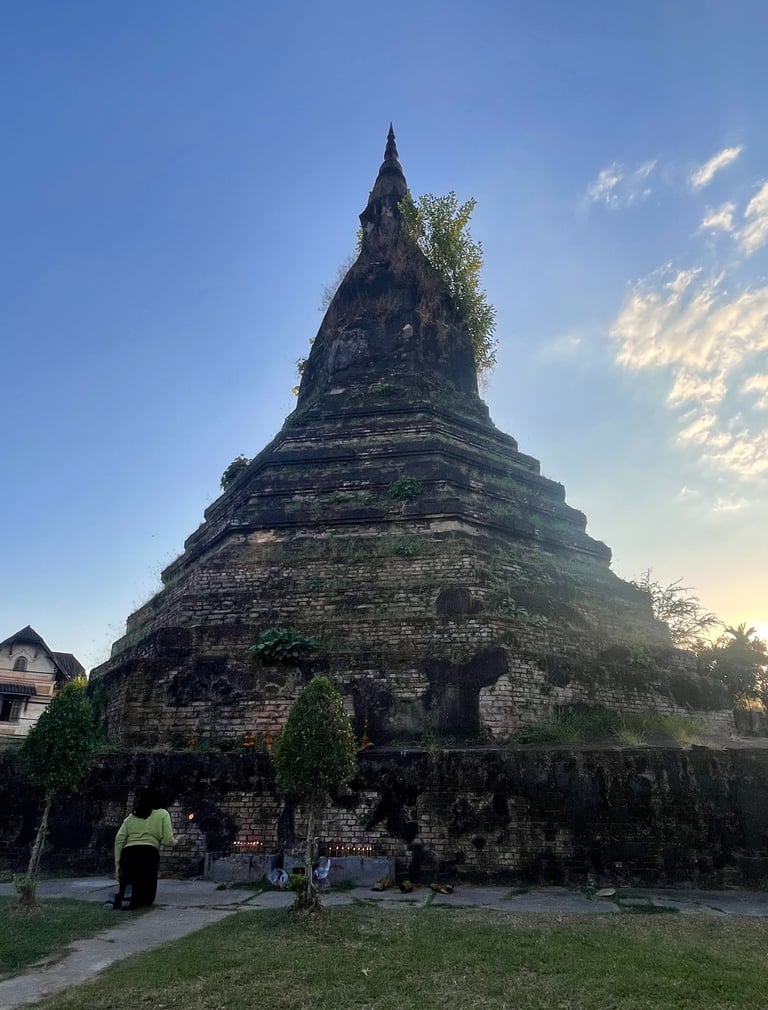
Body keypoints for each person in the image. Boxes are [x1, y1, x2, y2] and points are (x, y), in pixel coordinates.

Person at [113, 790, 176, 909]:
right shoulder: (163, 814)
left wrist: (117, 862)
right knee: (147, 891)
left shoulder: (131, 817)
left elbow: (119, 839)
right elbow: (167, 840)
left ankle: (122, 897)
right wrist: (177, 841)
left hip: (129, 853)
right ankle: (136, 900)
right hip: (148, 852)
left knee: (128, 880)